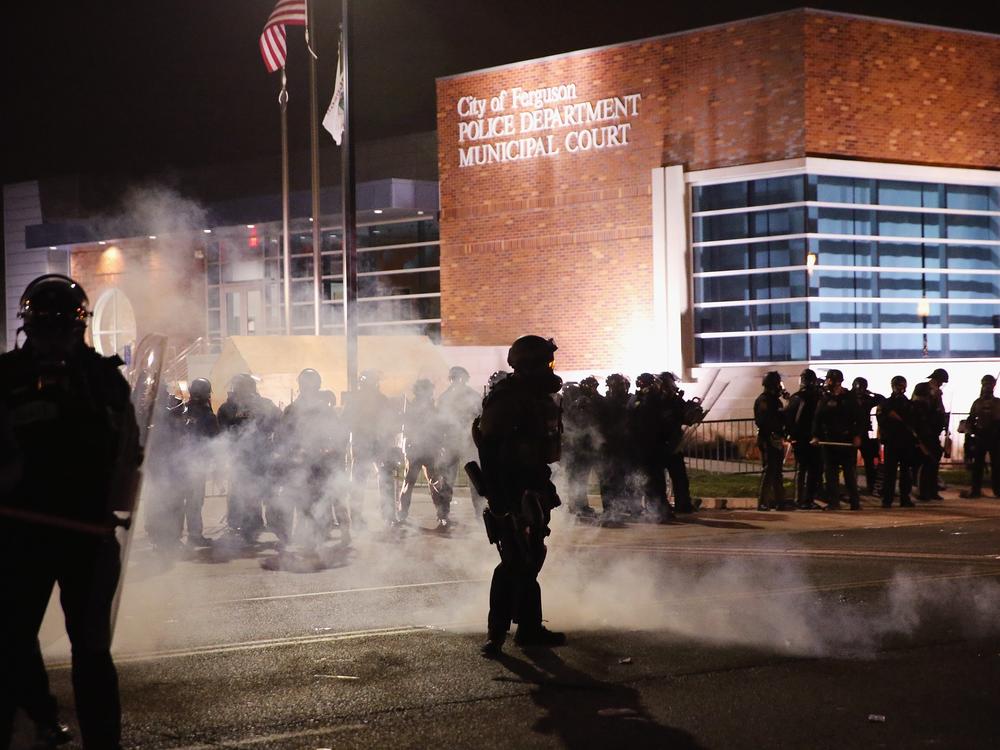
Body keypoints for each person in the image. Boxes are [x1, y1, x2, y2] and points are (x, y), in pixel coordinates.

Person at [1, 274, 141, 750]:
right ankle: (39, 716)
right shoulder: (5, 378)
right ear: (29, 326)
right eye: (47, 324)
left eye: (62, 324)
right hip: (20, 534)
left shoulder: (104, 380)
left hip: (87, 536)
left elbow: (130, 453)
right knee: (11, 640)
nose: (54, 334)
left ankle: (102, 743)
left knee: (91, 653)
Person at [475, 335, 565, 657]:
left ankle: (528, 628)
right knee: (514, 562)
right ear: (529, 364)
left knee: (531, 558)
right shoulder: (508, 398)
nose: (549, 368)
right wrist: (501, 501)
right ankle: (497, 633)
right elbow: (490, 450)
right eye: (544, 361)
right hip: (511, 490)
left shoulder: (536, 396)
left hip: (533, 485)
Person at [277, 369, 350, 548]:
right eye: (306, 384)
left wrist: (331, 451)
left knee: (329, 497)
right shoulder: (292, 410)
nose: (308, 388)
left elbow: (340, 435)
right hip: (301, 463)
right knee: (303, 500)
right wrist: (291, 455)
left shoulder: (325, 410)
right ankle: (304, 537)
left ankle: (328, 534)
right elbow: (281, 437)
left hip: (322, 462)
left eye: (311, 384)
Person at [217, 374, 281, 544]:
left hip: (247, 456)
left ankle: (249, 525)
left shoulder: (228, 408)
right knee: (255, 491)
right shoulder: (263, 404)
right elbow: (279, 422)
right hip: (255, 455)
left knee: (246, 491)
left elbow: (222, 433)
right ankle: (255, 524)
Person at [343, 370, 400, 529]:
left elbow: (390, 422)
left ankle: (385, 515)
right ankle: (368, 517)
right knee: (369, 481)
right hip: (365, 444)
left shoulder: (375, 400)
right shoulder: (364, 400)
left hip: (374, 445)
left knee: (377, 480)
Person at [398, 379, 451, 529]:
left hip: (427, 449)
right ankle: (404, 514)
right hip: (418, 449)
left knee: (432, 482)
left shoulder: (422, 408)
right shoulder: (417, 409)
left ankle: (441, 516)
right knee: (416, 482)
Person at [176, 378, 219, 548]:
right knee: (194, 502)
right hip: (196, 465)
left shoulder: (180, 411)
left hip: (179, 463)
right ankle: (194, 535)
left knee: (179, 501)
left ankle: (174, 537)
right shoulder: (208, 416)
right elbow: (215, 442)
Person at [812, 369, 863, 511]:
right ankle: (834, 502)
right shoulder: (825, 398)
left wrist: (857, 435)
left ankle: (855, 502)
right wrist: (816, 436)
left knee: (849, 473)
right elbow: (817, 419)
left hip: (846, 441)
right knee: (831, 474)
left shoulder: (849, 398)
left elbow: (859, 419)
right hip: (829, 441)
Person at [436, 366, 484, 516]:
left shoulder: (470, 396)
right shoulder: (445, 398)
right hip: (453, 443)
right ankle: (444, 516)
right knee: (448, 481)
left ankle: (480, 514)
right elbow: (440, 422)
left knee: (475, 481)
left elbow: (480, 416)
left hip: (468, 442)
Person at [628, 373, 674, 522]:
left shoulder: (652, 399)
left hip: (652, 447)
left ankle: (658, 511)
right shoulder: (640, 400)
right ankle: (654, 510)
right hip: (644, 447)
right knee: (650, 480)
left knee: (655, 480)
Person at [560, 376, 602, 518]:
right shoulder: (578, 403)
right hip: (578, 447)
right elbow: (582, 425)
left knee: (578, 477)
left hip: (576, 447)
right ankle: (578, 506)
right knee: (577, 477)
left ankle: (578, 505)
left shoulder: (570, 404)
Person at [657, 372, 697, 514]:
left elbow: (686, 418)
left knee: (680, 478)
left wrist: (692, 411)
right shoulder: (656, 400)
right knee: (659, 480)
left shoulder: (675, 400)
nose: (672, 388)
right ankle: (662, 507)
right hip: (660, 444)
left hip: (674, 444)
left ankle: (683, 504)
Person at [876, 376, 918, 508]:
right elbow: (882, 419)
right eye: (898, 385)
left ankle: (904, 498)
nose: (900, 388)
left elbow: (913, 421)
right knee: (890, 472)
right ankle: (887, 499)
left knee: (906, 472)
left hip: (906, 442)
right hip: (891, 441)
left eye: (902, 386)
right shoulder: (887, 403)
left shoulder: (909, 404)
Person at [784, 369, 823, 509]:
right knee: (813, 470)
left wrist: (790, 434)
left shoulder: (797, 397)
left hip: (800, 438)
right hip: (813, 438)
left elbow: (789, 417)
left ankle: (800, 498)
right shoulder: (817, 396)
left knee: (802, 469)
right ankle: (807, 499)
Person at [598, 373, 635, 517]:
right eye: (615, 386)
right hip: (610, 447)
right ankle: (610, 508)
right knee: (608, 479)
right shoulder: (604, 403)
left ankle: (627, 506)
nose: (619, 389)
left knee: (627, 477)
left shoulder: (630, 401)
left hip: (625, 446)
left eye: (621, 385)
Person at [754, 372, 791, 511]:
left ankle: (780, 501)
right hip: (767, 438)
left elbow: (782, 417)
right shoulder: (764, 400)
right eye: (777, 384)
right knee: (769, 470)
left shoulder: (775, 400)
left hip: (776, 438)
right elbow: (764, 421)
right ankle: (763, 502)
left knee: (777, 472)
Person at [960, 375, 1000, 499]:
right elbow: (971, 419)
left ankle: (998, 490)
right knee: (977, 466)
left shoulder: (998, 402)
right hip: (980, 436)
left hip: (995, 437)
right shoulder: (977, 402)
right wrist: (970, 433)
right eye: (985, 384)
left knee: (997, 465)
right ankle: (975, 489)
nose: (987, 387)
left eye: (990, 384)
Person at [911, 376, 947, 501]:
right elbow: (920, 411)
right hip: (924, 433)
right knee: (926, 461)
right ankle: (923, 491)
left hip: (932, 433)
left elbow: (938, 411)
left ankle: (932, 490)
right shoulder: (923, 388)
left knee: (934, 461)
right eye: (940, 381)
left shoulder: (936, 394)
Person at [851, 376, 885, 495]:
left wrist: (871, 393)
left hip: (863, 433)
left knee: (869, 462)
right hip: (850, 433)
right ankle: (852, 488)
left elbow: (881, 399)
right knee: (850, 463)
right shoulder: (849, 398)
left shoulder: (867, 399)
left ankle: (871, 486)